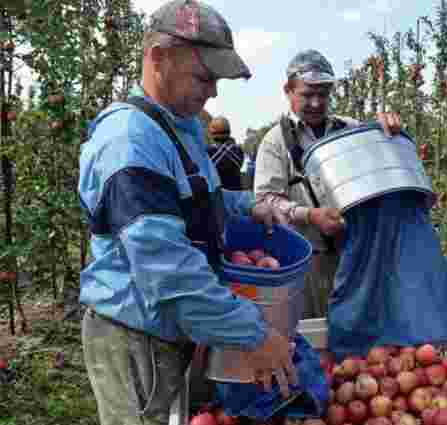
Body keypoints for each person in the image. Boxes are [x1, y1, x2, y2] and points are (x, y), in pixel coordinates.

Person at [78, 2, 296, 424]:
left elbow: (201, 201)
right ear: (158, 57)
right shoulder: (129, 142)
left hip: (167, 328)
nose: (213, 91)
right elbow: (168, 271)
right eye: (204, 77)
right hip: (134, 336)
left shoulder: (182, 127)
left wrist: (251, 205)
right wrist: (253, 334)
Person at [254, 49, 401, 320]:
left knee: (361, 327)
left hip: (356, 252)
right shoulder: (275, 142)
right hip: (309, 260)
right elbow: (265, 202)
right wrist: (310, 215)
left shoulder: (349, 129)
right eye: (307, 94)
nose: (316, 102)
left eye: (323, 94)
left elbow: (383, 162)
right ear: (288, 90)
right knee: (315, 328)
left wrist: (387, 130)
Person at [207, 116, 246, 190]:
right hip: (237, 194)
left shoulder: (208, 152)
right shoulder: (238, 150)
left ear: (212, 134)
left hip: (218, 194)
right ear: (229, 132)